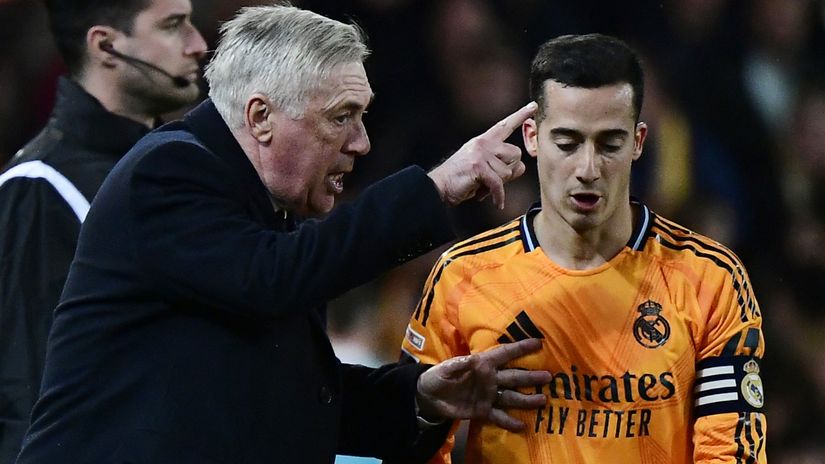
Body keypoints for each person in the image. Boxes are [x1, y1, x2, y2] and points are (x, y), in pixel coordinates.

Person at [15, 4, 553, 463]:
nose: (361, 143)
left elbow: (288, 394)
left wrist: (421, 396)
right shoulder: (167, 174)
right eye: (342, 116)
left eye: (363, 117)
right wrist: (435, 188)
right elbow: (274, 277)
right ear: (261, 117)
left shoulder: (270, 213)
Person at [399, 33, 767, 463]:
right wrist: (424, 418)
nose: (588, 169)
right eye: (568, 143)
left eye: (609, 144)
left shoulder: (710, 279)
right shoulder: (464, 275)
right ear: (532, 138)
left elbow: (731, 453)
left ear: (638, 142)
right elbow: (408, 442)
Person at [0, 0, 206, 461]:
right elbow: (27, 393)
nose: (198, 44)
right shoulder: (39, 185)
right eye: (174, 26)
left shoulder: (181, 176)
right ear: (106, 45)